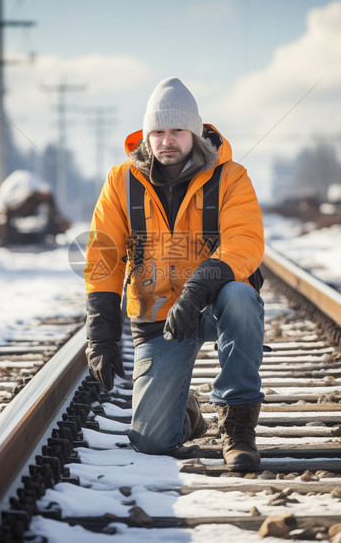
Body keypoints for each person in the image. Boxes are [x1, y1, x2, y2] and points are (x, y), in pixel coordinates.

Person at [84, 77, 265, 468]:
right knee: (151, 442)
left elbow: (245, 242)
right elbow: (104, 256)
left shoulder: (230, 177)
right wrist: (101, 334)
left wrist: (198, 288)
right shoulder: (121, 181)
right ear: (147, 136)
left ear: (195, 132)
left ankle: (237, 429)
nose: (167, 141)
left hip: (215, 306)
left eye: (177, 131)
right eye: (158, 132)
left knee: (241, 296)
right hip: (157, 316)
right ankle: (188, 412)